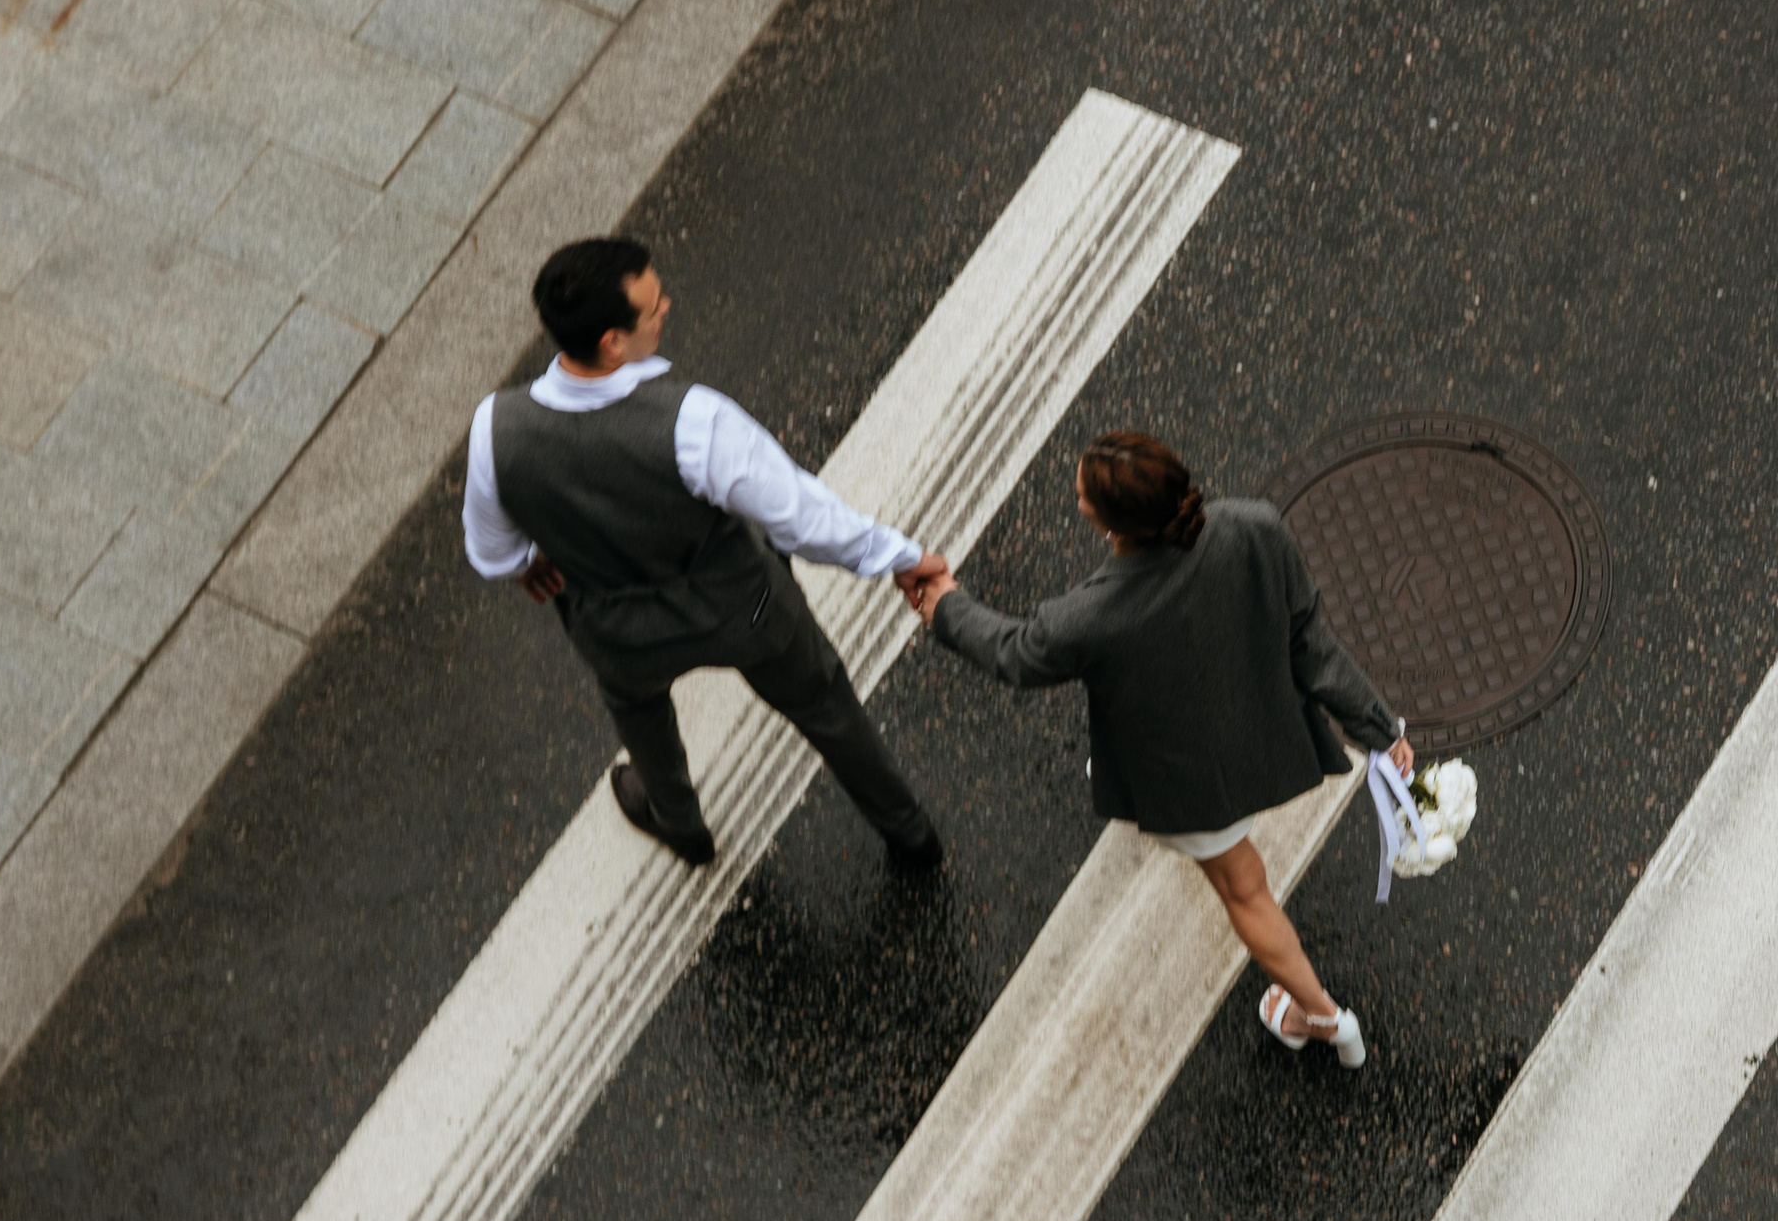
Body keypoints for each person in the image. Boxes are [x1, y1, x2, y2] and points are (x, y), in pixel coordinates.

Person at [896, 432, 1412, 1067]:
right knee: (1244, 885)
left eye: (1084, 494)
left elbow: (1013, 653)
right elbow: (1312, 639)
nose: (1078, 497)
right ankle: (1319, 1017)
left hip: (1192, 785)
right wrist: (1380, 729)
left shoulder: (1086, 616)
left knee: (1244, 891)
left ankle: (1324, 1017)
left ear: (1107, 520)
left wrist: (942, 601)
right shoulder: (1254, 526)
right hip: (1257, 735)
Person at [462, 236, 945, 874]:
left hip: (616, 628)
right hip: (743, 609)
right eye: (653, 304)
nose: (667, 306)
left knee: (639, 713)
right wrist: (901, 556)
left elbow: (493, 555)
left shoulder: (498, 428)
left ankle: (681, 825)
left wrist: (535, 557)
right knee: (825, 706)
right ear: (612, 341)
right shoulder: (693, 422)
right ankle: (908, 833)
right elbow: (802, 517)